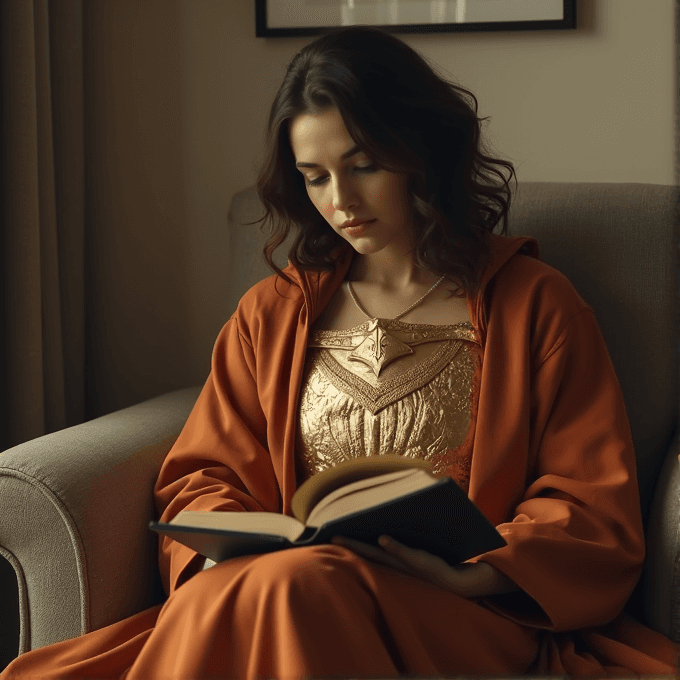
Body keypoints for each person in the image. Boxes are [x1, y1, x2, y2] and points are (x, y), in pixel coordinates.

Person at [3, 24, 679, 680]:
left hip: (457, 609)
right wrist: (230, 550)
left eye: (363, 166)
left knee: (287, 591)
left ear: (424, 153)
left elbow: (590, 504)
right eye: (315, 176)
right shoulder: (271, 313)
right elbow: (203, 478)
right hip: (285, 587)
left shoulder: (536, 303)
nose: (341, 201)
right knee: (263, 588)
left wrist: (473, 572)